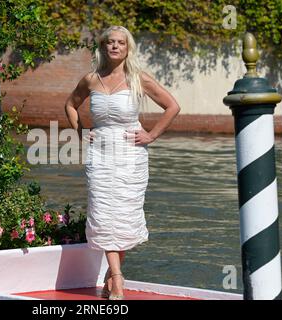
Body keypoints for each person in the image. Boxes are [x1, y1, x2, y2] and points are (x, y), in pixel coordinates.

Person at [64, 26, 180, 300]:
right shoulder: (91, 79)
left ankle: (112, 275)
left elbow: (172, 106)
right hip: (101, 155)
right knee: (104, 212)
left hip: (131, 154)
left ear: (128, 48)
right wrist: (81, 132)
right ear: (103, 47)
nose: (115, 47)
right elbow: (70, 105)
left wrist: (151, 134)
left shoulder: (138, 78)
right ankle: (117, 278)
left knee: (124, 215)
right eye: (110, 43)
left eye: (121, 43)